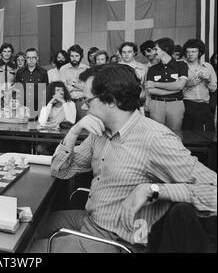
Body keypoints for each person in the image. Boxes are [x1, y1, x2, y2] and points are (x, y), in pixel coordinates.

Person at [29, 63, 217, 253]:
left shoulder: (155, 139)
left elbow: (213, 191)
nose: (84, 107)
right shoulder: (99, 132)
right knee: (28, 227)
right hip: (92, 219)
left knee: (20, 252)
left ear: (110, 100)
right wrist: (74, 131)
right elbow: (59, 170)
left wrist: (153, 189)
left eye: (88, 101)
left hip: (116, 240)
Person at [146, 37, 188, 138]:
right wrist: (175, 89)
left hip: (175, 104)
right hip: (156, 104)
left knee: (175, 134)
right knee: (156, 134)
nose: (154, 52)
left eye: (156, 49)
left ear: (165, 49)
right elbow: (150, 89)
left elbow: (180, 85)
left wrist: (156, 84)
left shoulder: (181, 65)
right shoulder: (152, 69)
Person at [182, 39, 217, 131]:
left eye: (193, 51)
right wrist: (187, 84)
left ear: (200, 52)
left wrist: (208, 79)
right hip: (187, 104)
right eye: (188, 51)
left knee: (206, 134)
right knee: (187, 133)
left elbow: (213, 89)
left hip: (204, 105)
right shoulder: (181, 66)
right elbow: (175, 88)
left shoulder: (208, 67)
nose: (190, 54)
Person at [15, 47, 49, 119]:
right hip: (23, 109)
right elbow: (17, 91)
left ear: (37, 58)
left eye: (33, 57)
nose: (31, 60)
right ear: (26, 59)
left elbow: (45, 91)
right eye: (28, 57)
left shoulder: (43, 72)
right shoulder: (20, 72)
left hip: (38, 109)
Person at [60, 44, 90, 122]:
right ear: (69, 57)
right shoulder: (63, 69)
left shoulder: (86, 69)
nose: (74, 58)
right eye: (72, 56)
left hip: (82, 103)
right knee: (68, 129)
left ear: (81, 56)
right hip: (68, 103)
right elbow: (64, 88)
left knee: (84, 127)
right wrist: (79, 86)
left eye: (76, 56)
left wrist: (72, 84)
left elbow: (87, 88)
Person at [0, 43, 17, 116]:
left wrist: (9, 95)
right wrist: (2, 95)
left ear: (11, 53)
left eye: (9, 51)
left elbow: (15, 82)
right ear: (1, 53)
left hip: (10, 97)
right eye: (4, 51)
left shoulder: (14, 67)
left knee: (10, 118)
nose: (6, 53)